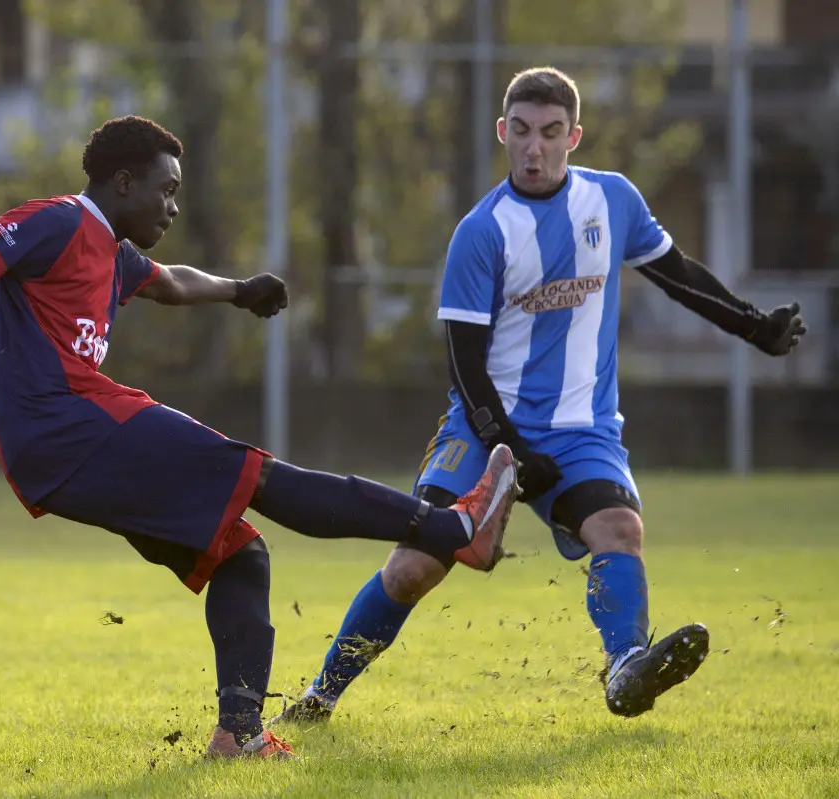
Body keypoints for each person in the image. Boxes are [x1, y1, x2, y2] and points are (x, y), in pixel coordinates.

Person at [0, 115, 520, 761]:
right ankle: (454, 531)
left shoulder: (113, 251)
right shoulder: (62, 220)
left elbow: (171, 281)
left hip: (59, 449)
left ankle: (237, 735)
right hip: (69, 425)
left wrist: (239, 290)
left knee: (241, 555)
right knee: (260, 476)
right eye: (165, 190)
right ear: (124, 182)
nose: (174, 204)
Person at [275, 67, 806, 725]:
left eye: (551, 133)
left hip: (581, 429)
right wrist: (508, 446)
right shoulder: (481, 231)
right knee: (414, 565)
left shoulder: (612, 201)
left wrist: (754, 326)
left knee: (620, 530)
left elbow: (680, 277)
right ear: (503, 132)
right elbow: (464, 364)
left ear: (574, 136)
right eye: (521, 132)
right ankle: (319, 697)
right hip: (483, 428)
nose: (535, 148)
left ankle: (626, 666)